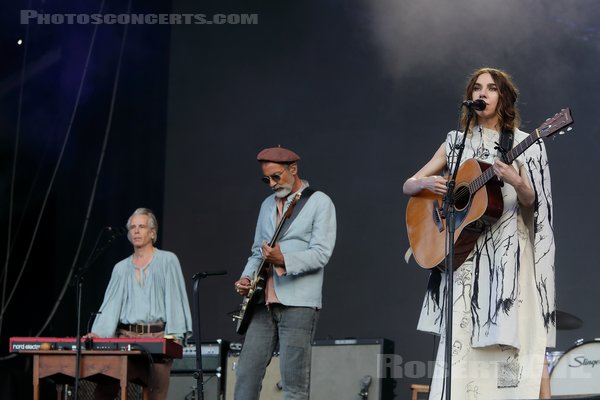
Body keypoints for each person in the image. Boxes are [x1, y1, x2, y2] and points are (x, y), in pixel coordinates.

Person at [403, 68, 556, 399]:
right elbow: (408, 184)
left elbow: (533, 203)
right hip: (465, 258)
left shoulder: (523, 143)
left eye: (491, 88)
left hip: (506, 256)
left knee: (507, 343)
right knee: (462, 340)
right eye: (477, 88)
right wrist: (427, 182)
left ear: (503, 98)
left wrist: (517, 182)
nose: (482, 93)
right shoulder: (456, 143)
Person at [233, 146, 337, 400]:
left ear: (293, 169)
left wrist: (284, 260)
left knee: (294, 383)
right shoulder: (267, 205)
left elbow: (322, 253)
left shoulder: (319, 202)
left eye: (276, 176)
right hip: (262, 302)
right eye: (266, 178)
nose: (270, 183)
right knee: (246, 374)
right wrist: (247, 277)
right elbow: (258, 251)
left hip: (299, 304)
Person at [87, 207, 193, 400]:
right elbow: (110, 306)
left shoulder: (168, 260)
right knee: (105, 389)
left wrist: (175, 336)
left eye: (142, 226)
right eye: (133, 227)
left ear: (152, 233)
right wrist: (98, 334)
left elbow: (175, 299)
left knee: (156, 392)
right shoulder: (120, 268)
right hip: (125, 336)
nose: (136, 231)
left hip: (158, 337)